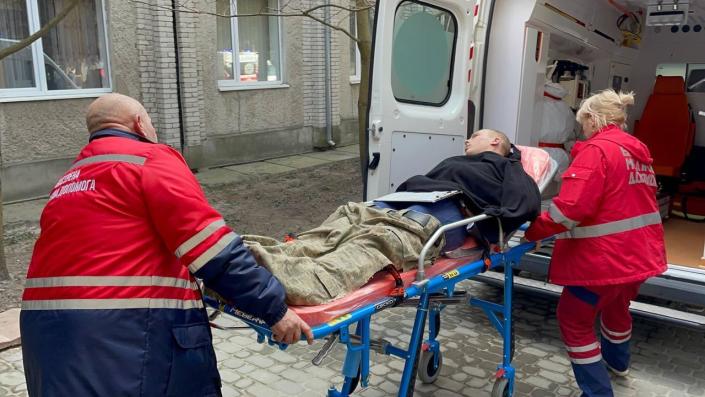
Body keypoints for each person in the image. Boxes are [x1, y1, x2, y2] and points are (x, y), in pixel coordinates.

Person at [19, 93, 313, 397]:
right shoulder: (149, 159)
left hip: (46, 339)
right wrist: (274, 309)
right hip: (121, 338)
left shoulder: (70, 179)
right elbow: (211, 249)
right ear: (140, 124)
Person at [243, 129, 541, 305]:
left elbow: (526, 203)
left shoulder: (506, 167)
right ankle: (264, 257)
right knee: (346, 220)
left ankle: (298, 282)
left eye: (475, 136)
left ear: (495, 143)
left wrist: (488, 223)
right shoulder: (462, 161)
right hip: (405, 202)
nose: (467, 140)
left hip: (443, 212)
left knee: (377, 241)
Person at [525, 89, 667, 397]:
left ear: (592, 118)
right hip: (639, 257)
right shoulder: (637, 150)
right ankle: (618, 363)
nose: (582, 129)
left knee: (573, 320)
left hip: (603, 261)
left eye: (583, 121)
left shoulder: (596, 150)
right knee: (617, 307)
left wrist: (532, 231)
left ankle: (598, 392)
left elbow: (569, 210)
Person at [538, 81, 579, 182]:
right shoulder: (566, 109)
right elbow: (571, 135)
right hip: (560, 156)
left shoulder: (537, 103)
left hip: (539, 154)